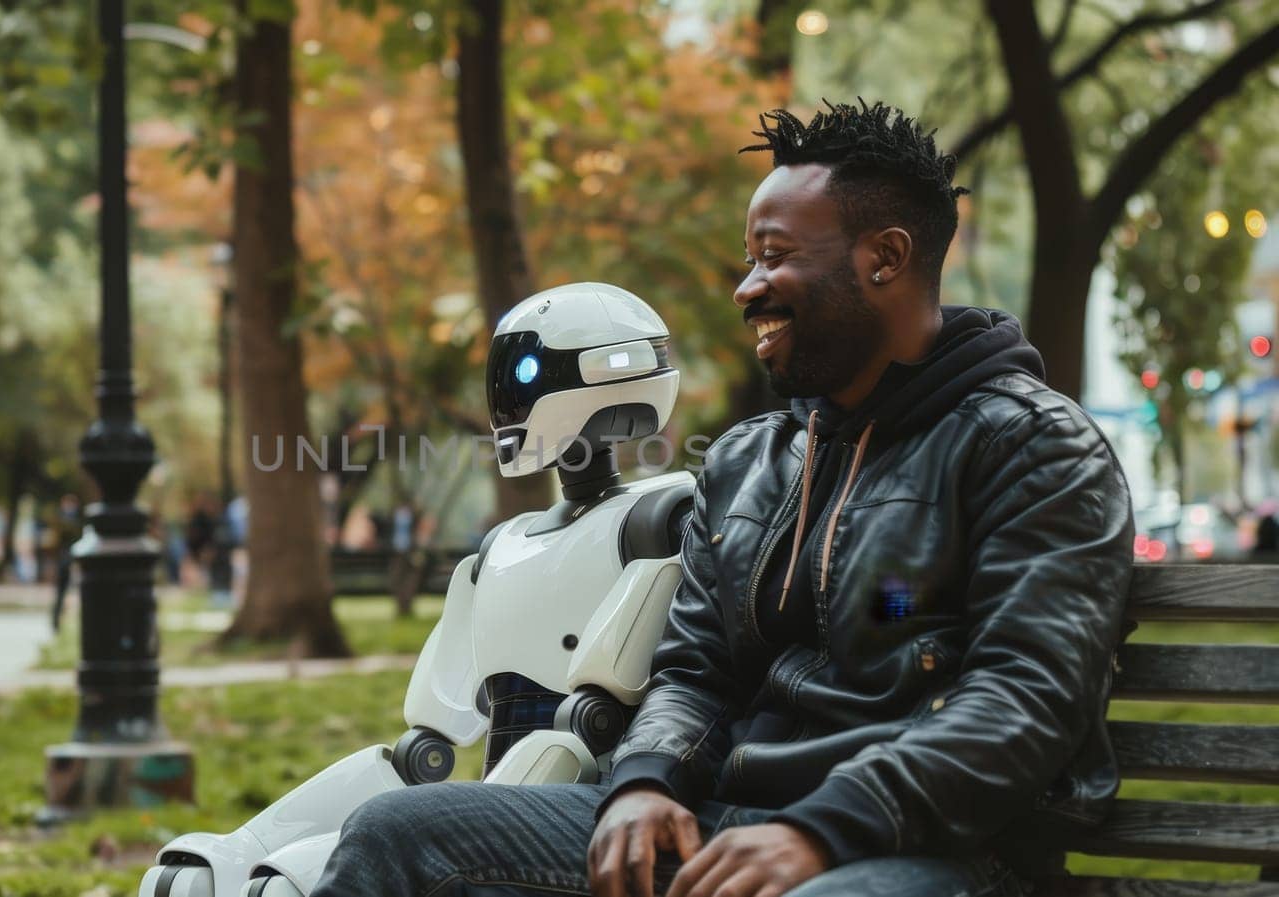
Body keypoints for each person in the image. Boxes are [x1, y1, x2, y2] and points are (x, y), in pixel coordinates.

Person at [312, 100, 1134, 897]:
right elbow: (694, 669)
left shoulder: (1031, 448)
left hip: (933, 848)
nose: (747, 288)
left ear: (883, 258)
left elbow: (1025, 696)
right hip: (726, 828)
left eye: (774, 256)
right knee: (399, 832)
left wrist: (820, 831)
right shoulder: (751, 459)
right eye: (750, 260)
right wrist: (644, 781)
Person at [49, 493, 83, 632]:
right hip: (64, 560)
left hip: (68, 559)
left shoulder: (71, 520)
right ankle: (57, 621)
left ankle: (61, 621)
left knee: (66, 592)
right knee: (61, 592)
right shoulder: (62, 520)